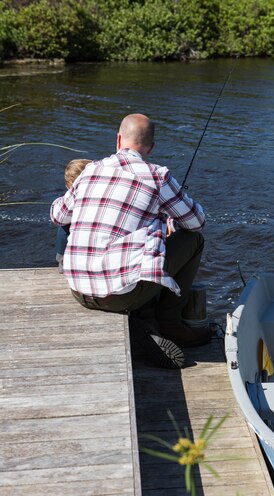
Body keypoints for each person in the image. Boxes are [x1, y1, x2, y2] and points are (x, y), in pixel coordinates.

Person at [50, 113, 210, 369]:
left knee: (142, 241)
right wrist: (161, 216)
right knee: (193, 241)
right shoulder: (157, 176)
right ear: (151, 147)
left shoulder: (91, 169)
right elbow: (196, 223)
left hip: (78, 290)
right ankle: (169, 322)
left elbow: (58, 215)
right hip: (119, 296)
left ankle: (143, 319)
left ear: (118, 139)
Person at [55, 159, 92, 272]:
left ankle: (62, 260)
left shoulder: (72, 200)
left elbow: (58, 217)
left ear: (68, 186)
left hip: (74, 257)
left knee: (64, 225)